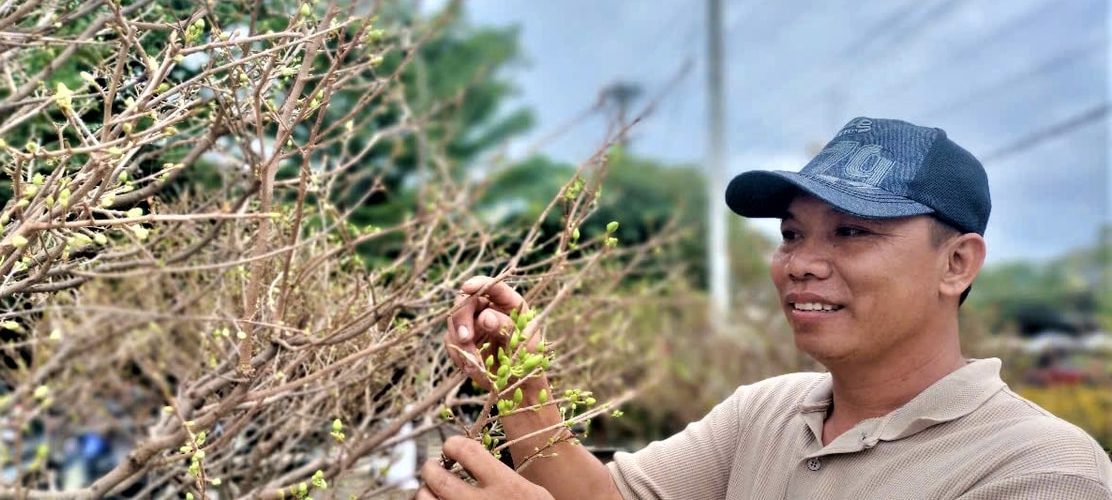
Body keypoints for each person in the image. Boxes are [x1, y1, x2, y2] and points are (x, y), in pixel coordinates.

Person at [417, 116, 1112, 500]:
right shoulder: (768, 414)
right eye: (790, 234)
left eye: (852, 231)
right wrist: (521, 390)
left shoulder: (1040, 471)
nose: (801, 261)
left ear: (957, 264)